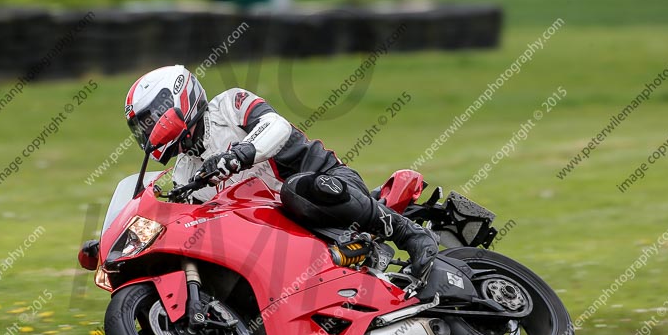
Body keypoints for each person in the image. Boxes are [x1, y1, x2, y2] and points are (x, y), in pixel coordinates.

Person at [78, 65, 438, 285]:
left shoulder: (229, 104)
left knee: (298, 190)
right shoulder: (185, 169)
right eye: (144, 128)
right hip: (279, 229)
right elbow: (173, 217)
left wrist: (239, 155)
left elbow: (274, 126)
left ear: (179, 98)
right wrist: (114, 238)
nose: (152, 130)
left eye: (154, 118)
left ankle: (409, 233)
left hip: (325, 184)